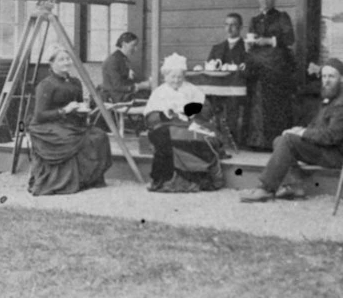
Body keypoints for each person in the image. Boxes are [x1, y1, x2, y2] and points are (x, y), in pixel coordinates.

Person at [239, 58, 343, 202]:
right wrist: (300, 129)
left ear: (342, 79)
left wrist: (302, 134)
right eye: (324, 76)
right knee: (280, 139)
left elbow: (333, 136)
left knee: (288, 141)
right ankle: (294, 186)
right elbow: (320, 126)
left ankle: (266, 188)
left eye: (332, 76)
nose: (326, 81)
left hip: (335, 155)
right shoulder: (333, 97)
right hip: (325, 148)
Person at [26, 46, 113, 196]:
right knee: (70, 139)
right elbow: (39, 115)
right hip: (47, 125)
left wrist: (82, 109)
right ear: (52, 63)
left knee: (99, 136)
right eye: (61, 59)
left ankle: (87, 179)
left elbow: (78, 104)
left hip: (71, 123)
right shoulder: (46, 85)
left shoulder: (75, 82)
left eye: (68, 59)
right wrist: (65, 110)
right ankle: (65, 181)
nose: (66, 62)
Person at [143, 53, 225, 193]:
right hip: (166, 126)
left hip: (189, 124)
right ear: (165, 76)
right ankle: (165, 179)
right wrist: (165, 114)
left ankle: (194, 178)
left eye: (180, 77)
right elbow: (150, 117)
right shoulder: (159, 92)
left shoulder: (191, 89)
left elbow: (206, 110)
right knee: (164, 136)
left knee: (199, 138)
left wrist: (191, 112)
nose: (176, 80)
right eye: (172, 77)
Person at [244, 0, 296, 150]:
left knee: (274, 104)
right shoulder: (255, 20)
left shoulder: (282, 17)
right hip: (259, 67)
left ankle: (274, 143)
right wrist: (249, 44)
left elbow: (289, 39)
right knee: (258, 104)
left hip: (277, 68)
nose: (264, 0)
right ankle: (257, 142)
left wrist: (267, 40)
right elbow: (251, 41)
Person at [207, 13, 247, 145]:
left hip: (238, 92)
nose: (229, 28)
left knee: (233, 106)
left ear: (240, 27)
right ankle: (215, 138)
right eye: (227, 25)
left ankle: (232, 140)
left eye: (233, 25)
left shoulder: (246, 48)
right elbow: (209, 66)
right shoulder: (217, 48)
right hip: (218, 90)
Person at [101, 32, 152, 103]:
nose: (135, 49)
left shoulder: (122, 59)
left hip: (122, 94)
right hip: (117, 97)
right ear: (124, 44)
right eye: (133, 45)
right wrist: (141, 86)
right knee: (152, 97)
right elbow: (117, 86)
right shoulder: (113, 61)